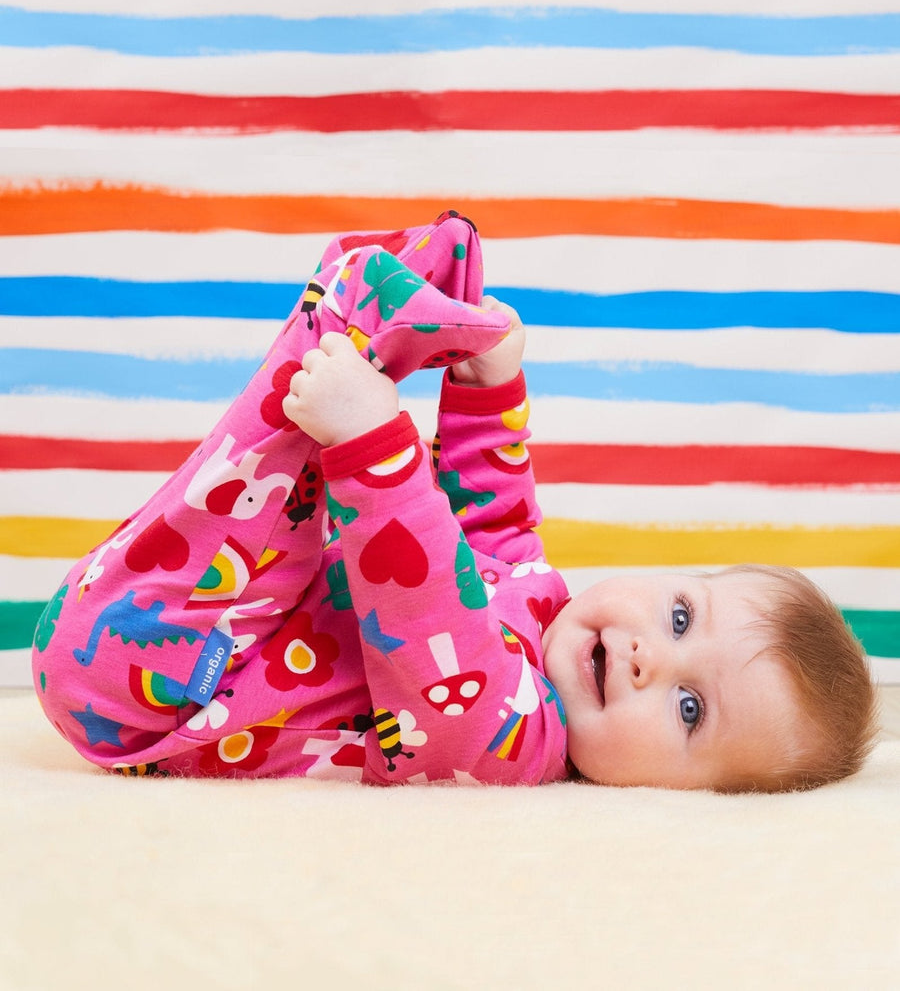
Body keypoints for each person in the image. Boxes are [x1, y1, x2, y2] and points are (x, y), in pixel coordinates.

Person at [32, 213, 878, 791]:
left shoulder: (515, 747)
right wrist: (490, 389)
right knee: (284, 497)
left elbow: (432, 606)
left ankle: (347, 319)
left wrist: (374, 444)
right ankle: (367, 329)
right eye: (683, 617)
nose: (649, 657)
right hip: (234, 619)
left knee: (281, 456)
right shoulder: (544, 605)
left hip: (154, 691)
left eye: (689, 710)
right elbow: (494, 521)